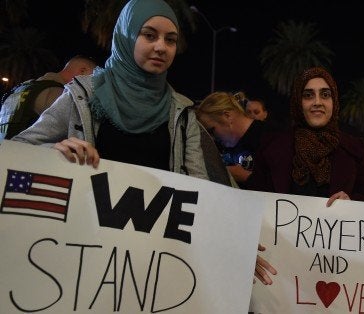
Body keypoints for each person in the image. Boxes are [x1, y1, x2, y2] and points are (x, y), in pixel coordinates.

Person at [10, 0, 275, 284]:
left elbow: (201, 191)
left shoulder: (181, 113)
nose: (161, 46)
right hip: (84, 255)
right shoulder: (83, 95)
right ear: (126, 36)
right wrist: (53, 151)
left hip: (150, 268)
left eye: (170, 40)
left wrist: (232, 244)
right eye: (149, 35)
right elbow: (16, 150)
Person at [246, 66, 364, 206]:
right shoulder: (270, 146)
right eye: (308, 95)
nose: (317, 102)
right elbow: (255, 200)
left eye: (325, 95)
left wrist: (351, 203)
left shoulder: (355, 148)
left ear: (334, 102)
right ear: (298, 102)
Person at [0, 55, 97, 140]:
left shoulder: (22, 88)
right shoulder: (58, 94)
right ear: (83, 71)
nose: (92, 85)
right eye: (92, 77)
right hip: (28, 155)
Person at [195, 91, 271, 184]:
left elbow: (280, 187)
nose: (211, 138)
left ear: (227, 116)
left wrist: (247, 177)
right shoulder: (219, 146)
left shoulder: (269, 138)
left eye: (212, 130)